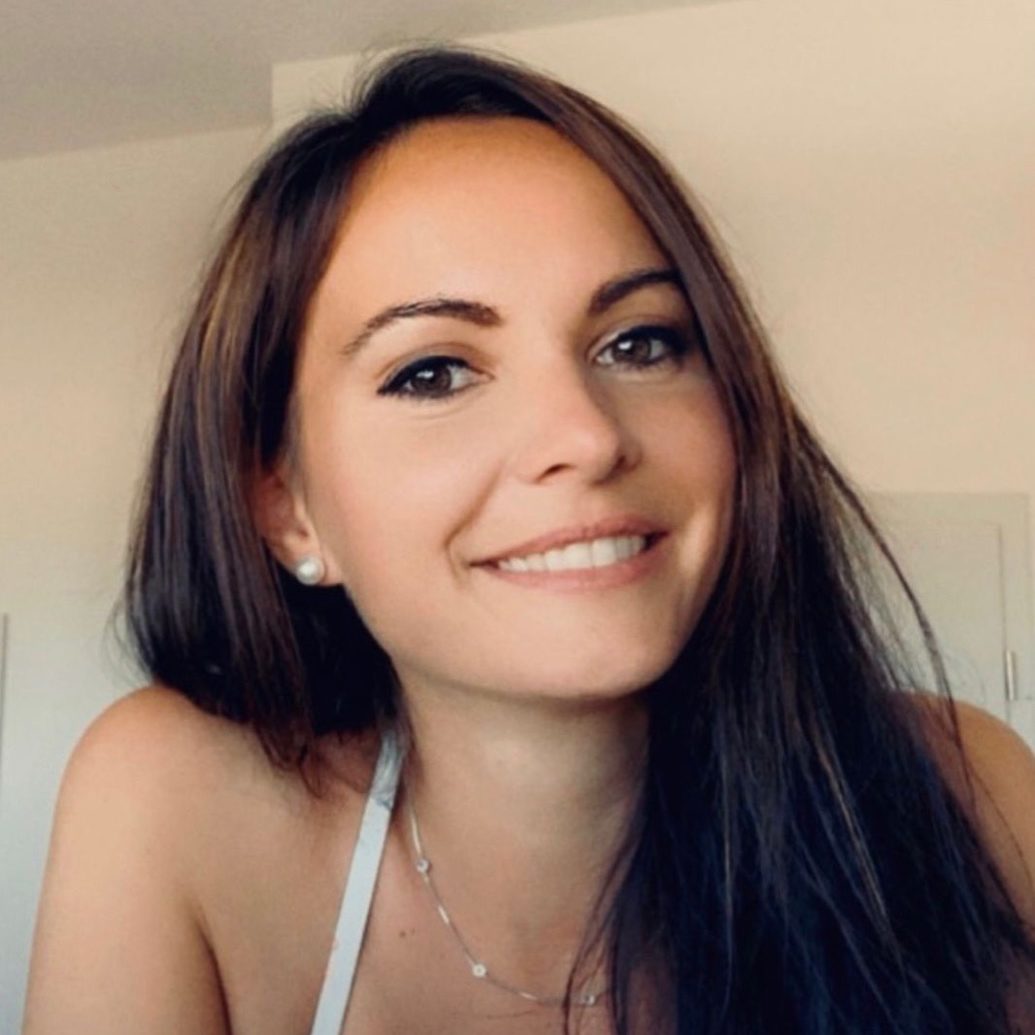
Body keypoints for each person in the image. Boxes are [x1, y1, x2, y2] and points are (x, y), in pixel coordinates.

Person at [23, 45, 1035, 1035]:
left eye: (640, 342)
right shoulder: (172, 802)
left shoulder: (969, 795)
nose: (586, 437)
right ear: (288, 508)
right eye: (433, 372)